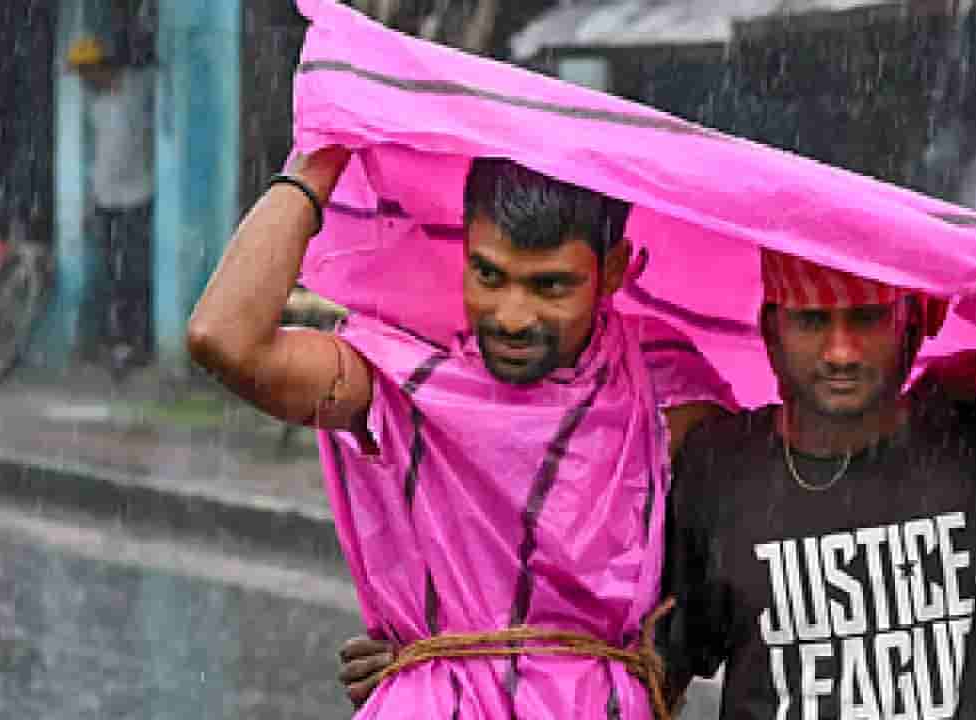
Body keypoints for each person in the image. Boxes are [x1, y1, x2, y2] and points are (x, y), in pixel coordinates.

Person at [338, 218, 976, 718]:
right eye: (811, 322)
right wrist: (452, 668)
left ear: (913, 324)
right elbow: (642, 674)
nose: (840, 351)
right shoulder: (718, 468)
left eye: (866, 319)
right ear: (768, 330)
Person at [187, 148, 735, 718]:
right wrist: (317, 165)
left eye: (551, 286)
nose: (512, 316)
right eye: (488, 275)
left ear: (614, 271)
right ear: (464, 249)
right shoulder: (406, 379)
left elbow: (728, 575)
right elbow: (223, 340)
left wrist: (629, 668)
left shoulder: (662, 391)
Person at [68, 36, 154, 377]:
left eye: (85, 72)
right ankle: (114, 341)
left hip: (137, 199)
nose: (83, 80)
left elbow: (154, 73)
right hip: (105, 203)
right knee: (109, 276)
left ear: (99, 67)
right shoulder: (95, 105)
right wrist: (90, 202)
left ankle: (136, 342)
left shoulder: (137, 89)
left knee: (134, 274)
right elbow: (97, 157)